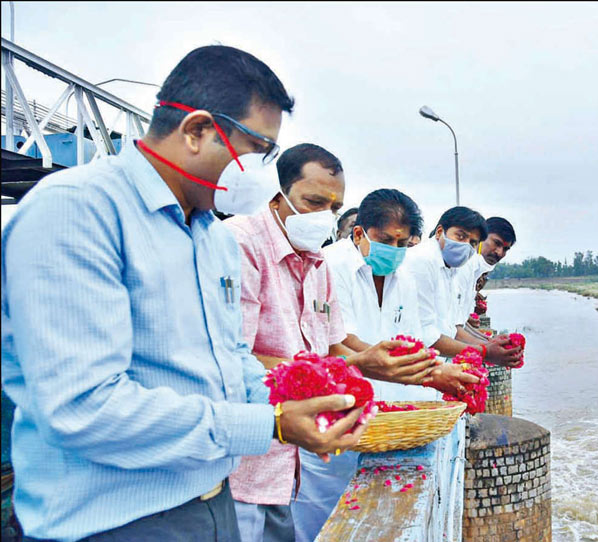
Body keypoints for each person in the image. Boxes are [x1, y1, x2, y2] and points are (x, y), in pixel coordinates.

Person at [1, 45, 369, 542]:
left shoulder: (211, 237)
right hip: (113, 522)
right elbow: (83, 406)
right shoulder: (78, 212)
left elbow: (232, 361)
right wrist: (273, 424)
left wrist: (314, 402)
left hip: (208, 501)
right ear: (196, 130)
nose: (259, 175)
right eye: (256, 152)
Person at [223, 144, 438, 542]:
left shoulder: (315, 261)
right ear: (276, 193)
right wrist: (352, 366)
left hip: (296, 453)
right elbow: (230, 356)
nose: (323, 216)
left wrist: (367, 359)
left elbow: (333, 346)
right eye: (313, 201)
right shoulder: (239, 244)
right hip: (246, 455)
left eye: (333, 207)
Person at [291, 190, 481, 541]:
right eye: (385, 240)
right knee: (321, 519)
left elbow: (411, 342)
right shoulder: (329, 266)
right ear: (360, 233)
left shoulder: (404, 274)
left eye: (401, 242)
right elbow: (343, 342)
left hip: (388, 423)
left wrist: (434, 370)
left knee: (380, 521)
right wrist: (430, 372)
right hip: (336, 413)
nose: (394, 250)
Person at [403, 207, 523, 367]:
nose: (499, 253)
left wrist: (490, 345)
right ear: (440, 231)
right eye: (460, 236)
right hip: (413, 369)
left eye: (472, 242)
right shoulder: (423, 262)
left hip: (431, 366)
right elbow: (427, 336)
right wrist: (485, 351)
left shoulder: (450, 266)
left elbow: (451, 327)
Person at [454, 217, 516, 335]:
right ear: (480, 237)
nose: (500, 253)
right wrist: (486, 347)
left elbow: (461, 323)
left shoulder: (478, 271)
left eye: (505, 249)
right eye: (496, 243)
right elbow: (452, 328)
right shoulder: (463, 267)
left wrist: (488, 341)